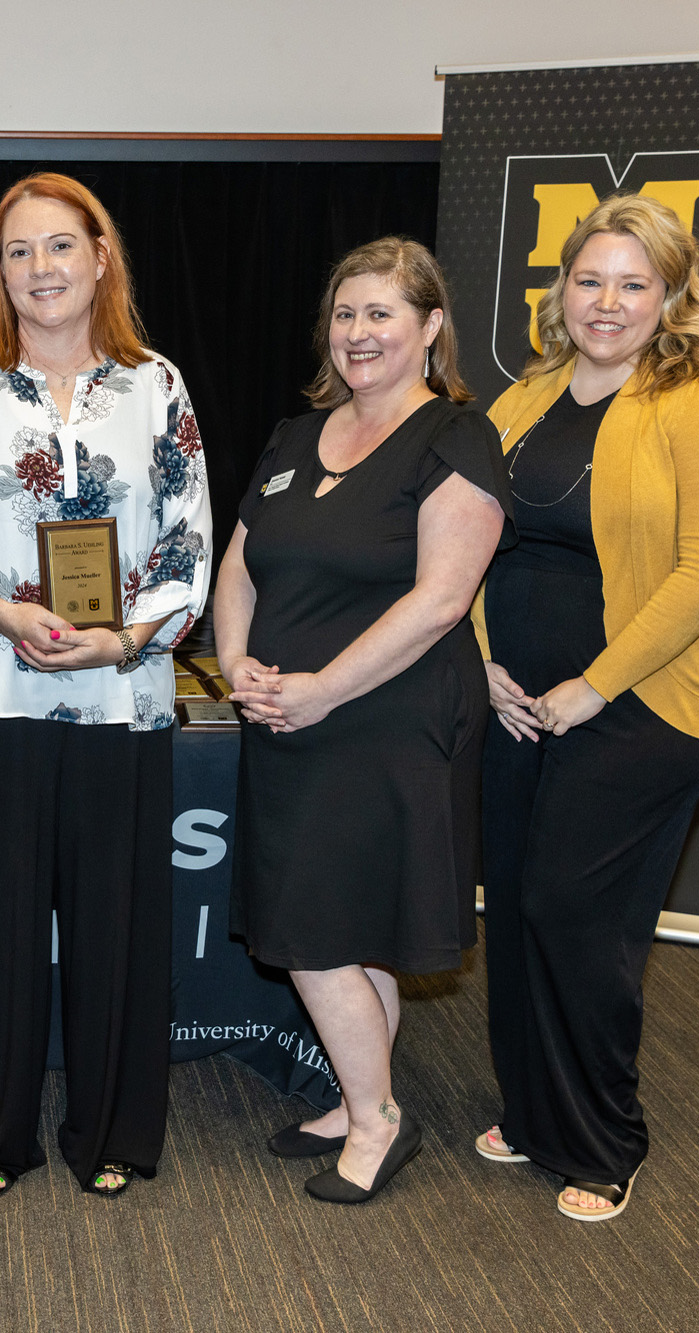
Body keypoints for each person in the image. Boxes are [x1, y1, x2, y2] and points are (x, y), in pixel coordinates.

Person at [0, 172, 211, 1198]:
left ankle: (112, 1131)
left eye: (60, 246)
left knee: (117, 927)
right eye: (18, 251)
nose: (40, 268)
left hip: (124, 700)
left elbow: (188, 543)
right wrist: (4, 613)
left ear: (100, 257)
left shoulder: (155, 384)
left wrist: (123, 641)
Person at [472, 193, 699, 1222]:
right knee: (515, 901)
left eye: (633, 284)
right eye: (588, 279)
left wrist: (593, 686)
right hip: (521, 703)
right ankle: (531, 1109)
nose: (606, 301)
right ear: (559, 289)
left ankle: (602, 1139)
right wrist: (482, 662)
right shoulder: (524, 398)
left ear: (671, 296)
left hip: (647, 705)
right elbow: (464, 537)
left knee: (572, 908)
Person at [217, 237, 511, 1204]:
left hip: (389, 719)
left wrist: (323, 689)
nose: (358, 332)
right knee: (355, 924)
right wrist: (235, 662)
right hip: (289, 718)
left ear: (430, 327)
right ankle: (359, 1099)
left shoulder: (456, 438)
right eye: (345, 314)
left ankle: (378, 1122)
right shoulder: (295, 436)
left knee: (312, 929)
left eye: (381, 313)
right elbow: (239, 565)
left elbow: (440, 600)